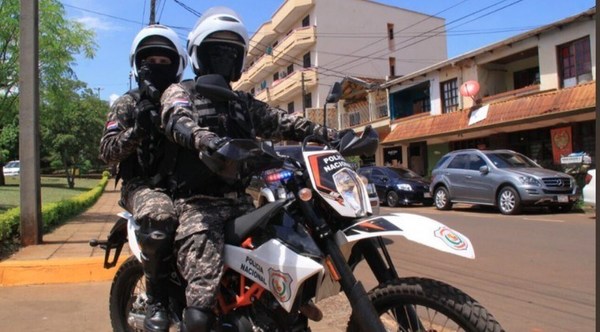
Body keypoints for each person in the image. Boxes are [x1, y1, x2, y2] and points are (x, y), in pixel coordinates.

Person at [158, 7, 337, 332]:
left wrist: (334, 135)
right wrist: (203, 139)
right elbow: (175, 118)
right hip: (198, 207)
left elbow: (286, 122)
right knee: (199, 310)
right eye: (217, 50)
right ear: (200, 55)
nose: (225, 57)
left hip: (242, 203)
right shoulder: (181, 91)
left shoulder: (243, 103)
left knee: (294, 258)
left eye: (231, 51)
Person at [99, 24, 188, 332]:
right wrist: (137, 131)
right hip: (142, 185)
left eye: (164, 62)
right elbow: (107, 151)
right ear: (138, 65)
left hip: (183, 185)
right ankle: (157, 301)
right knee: (160, 217)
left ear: (177, 65)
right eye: (150, 61)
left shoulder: (183, 100)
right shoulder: (127, 103)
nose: (157, 67)